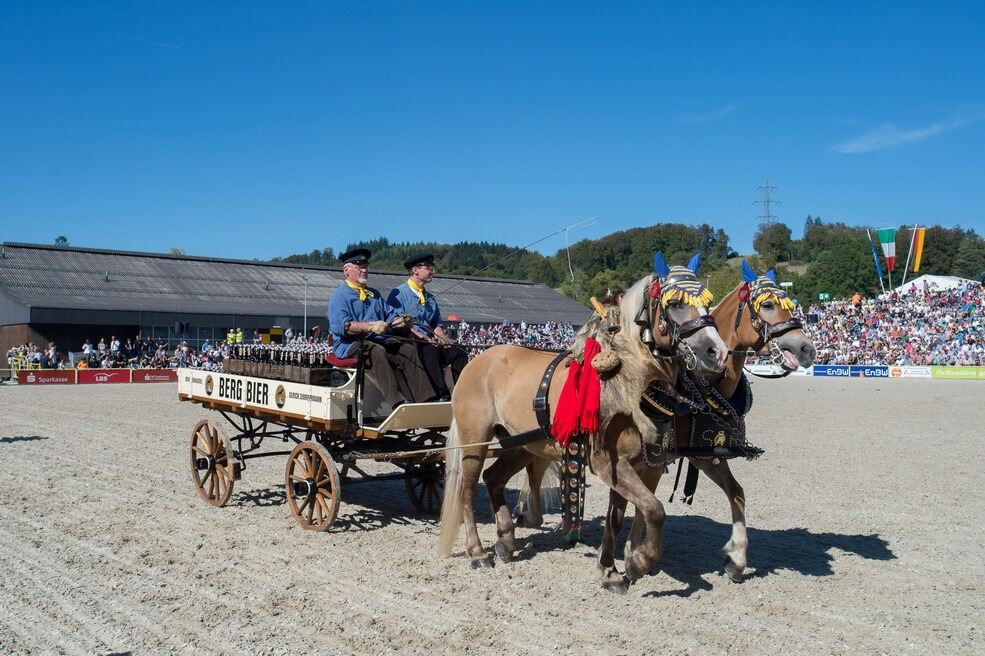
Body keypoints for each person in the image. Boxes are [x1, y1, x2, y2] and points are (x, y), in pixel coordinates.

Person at [327, 249, 436, 408]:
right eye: (359, 266)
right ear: (346, 271)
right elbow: (342, 327)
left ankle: (426, 399)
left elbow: (390, 315)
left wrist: (401, 321)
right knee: (376, 351)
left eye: (365, 266)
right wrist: (370, 326)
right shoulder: (339, 296)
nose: (364, 270)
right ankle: (397, 402)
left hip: (376, 340)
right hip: (349, 344)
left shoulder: (374, 295)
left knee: (407, 350)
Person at [387, 253, 467, 401]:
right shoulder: (398, 294)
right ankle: (441, 395)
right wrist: (424, 337)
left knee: (459, 351)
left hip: (429, 340)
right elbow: (396, 322)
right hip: (411, 341)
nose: (432, 271)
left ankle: (463, 394)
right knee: (429, 350)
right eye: (428, 268)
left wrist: (441, 336)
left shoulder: (429, 297)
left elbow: (435, 323)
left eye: (433, 268)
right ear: (415, 270)